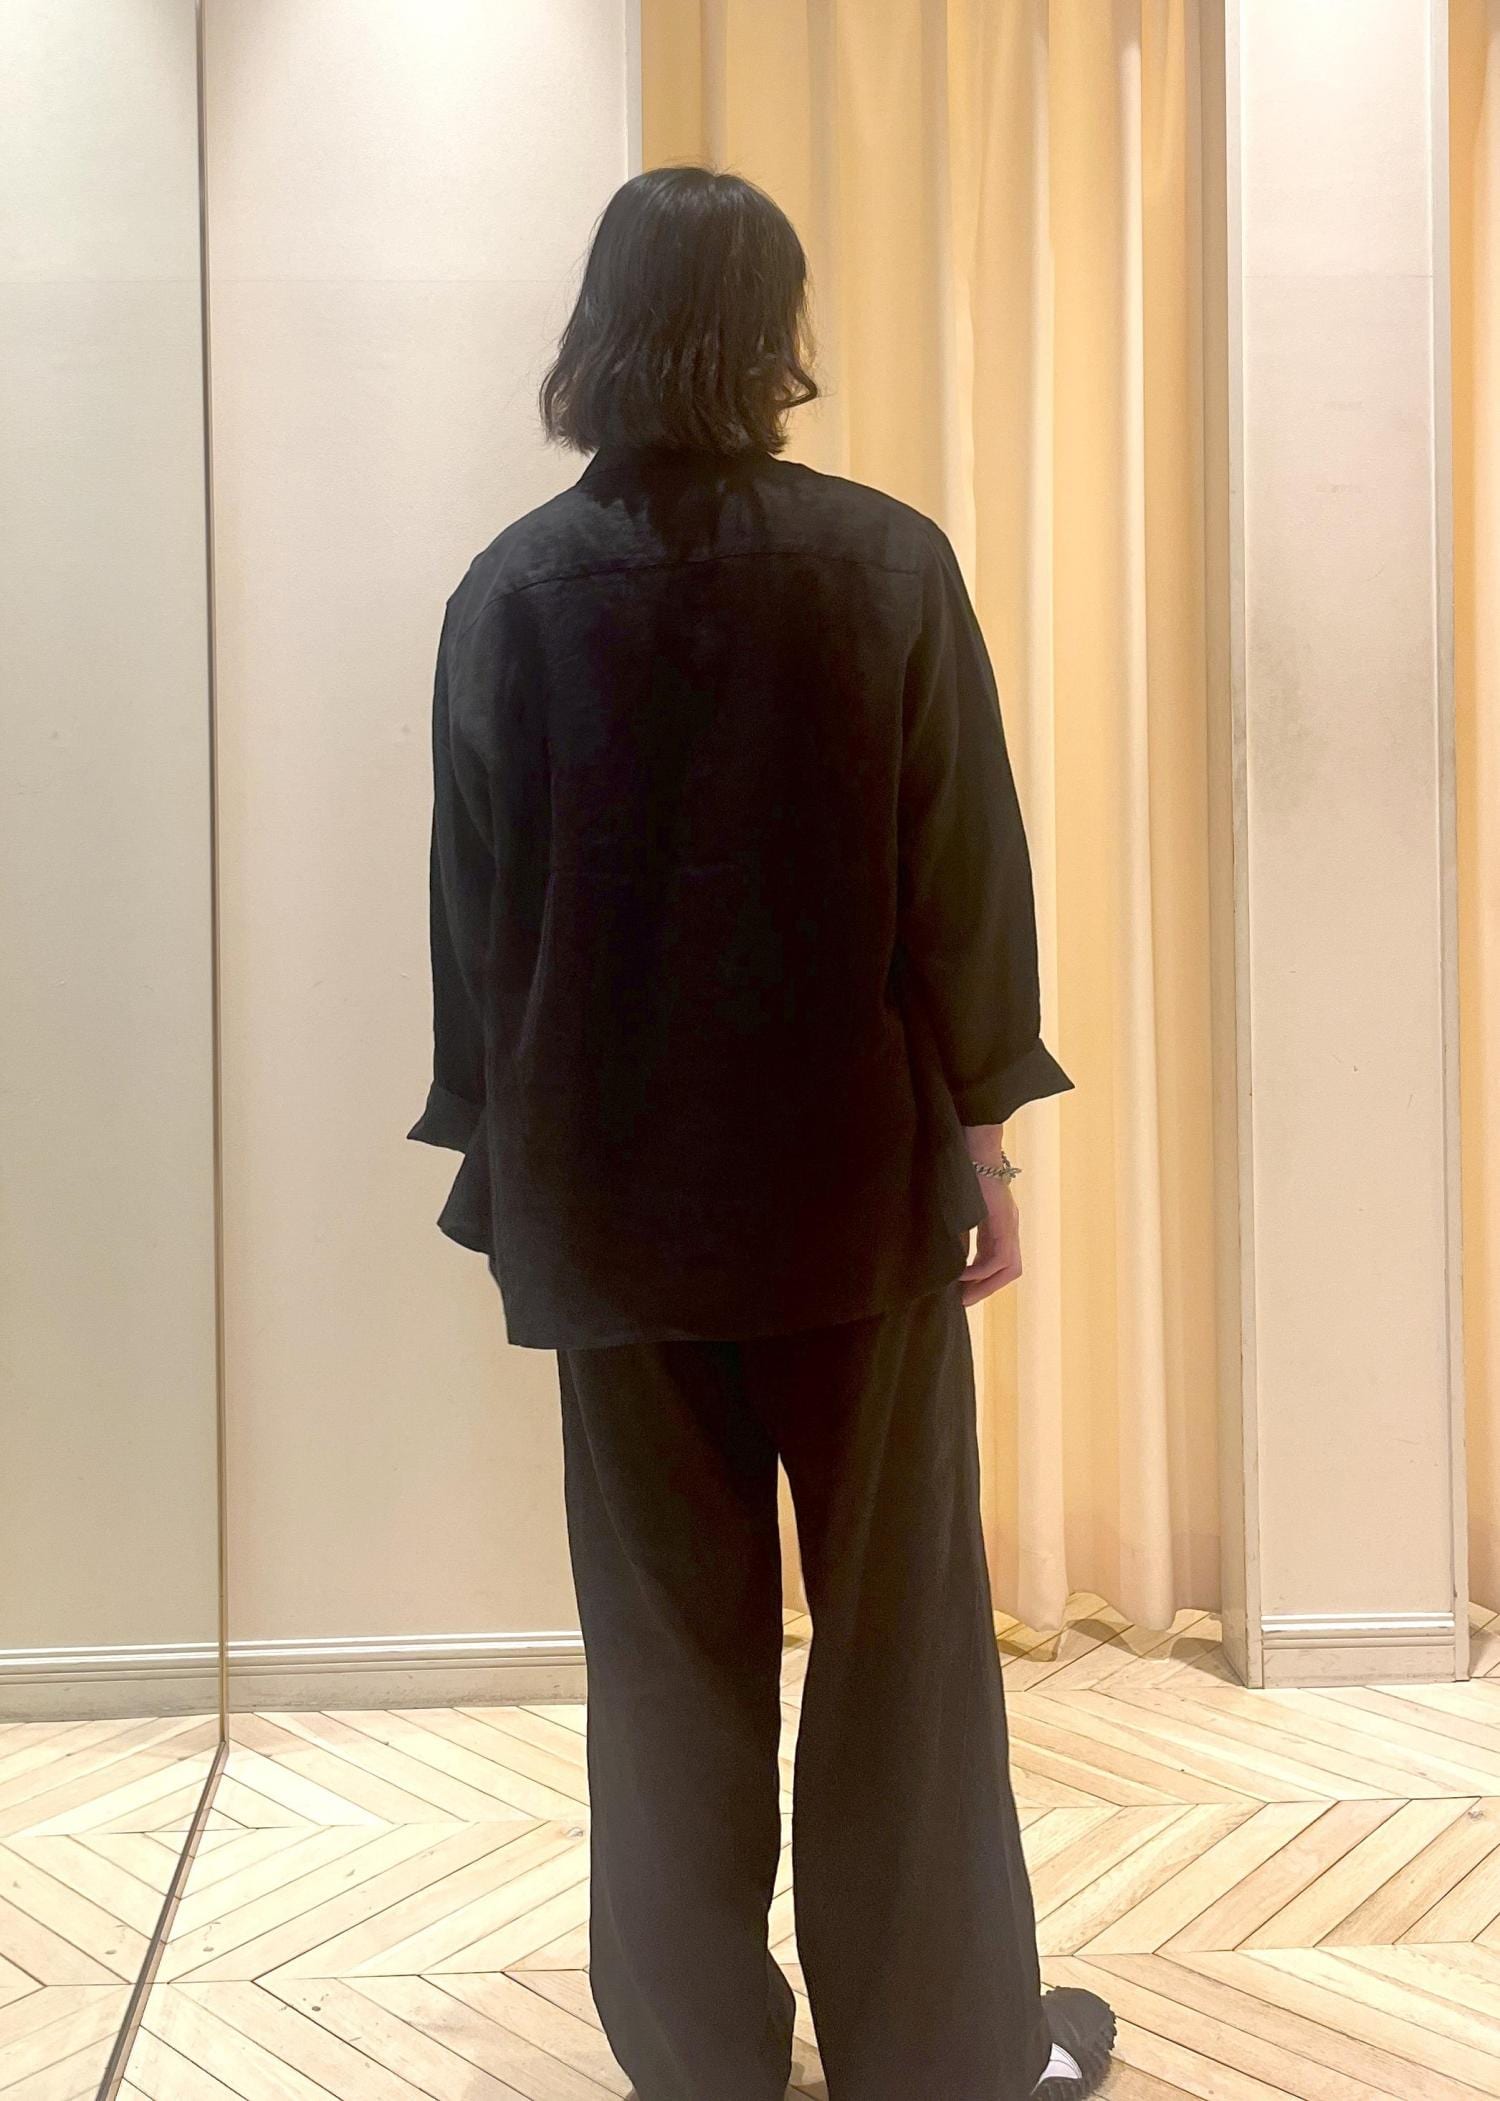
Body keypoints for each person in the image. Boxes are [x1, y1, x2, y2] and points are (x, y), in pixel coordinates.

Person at [409, 163, 1116, 2101]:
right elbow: (965, 888)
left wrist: (505, 1172)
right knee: (900, 1648)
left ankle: (703, 2061)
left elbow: (479, 920)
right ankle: (944, 2055)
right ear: (777, 331)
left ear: (597, 330)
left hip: (613, 1218)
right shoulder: (888, 565)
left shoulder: (506, 595)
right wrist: (988, 1146)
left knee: (660, 1660)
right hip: (849, 1205)